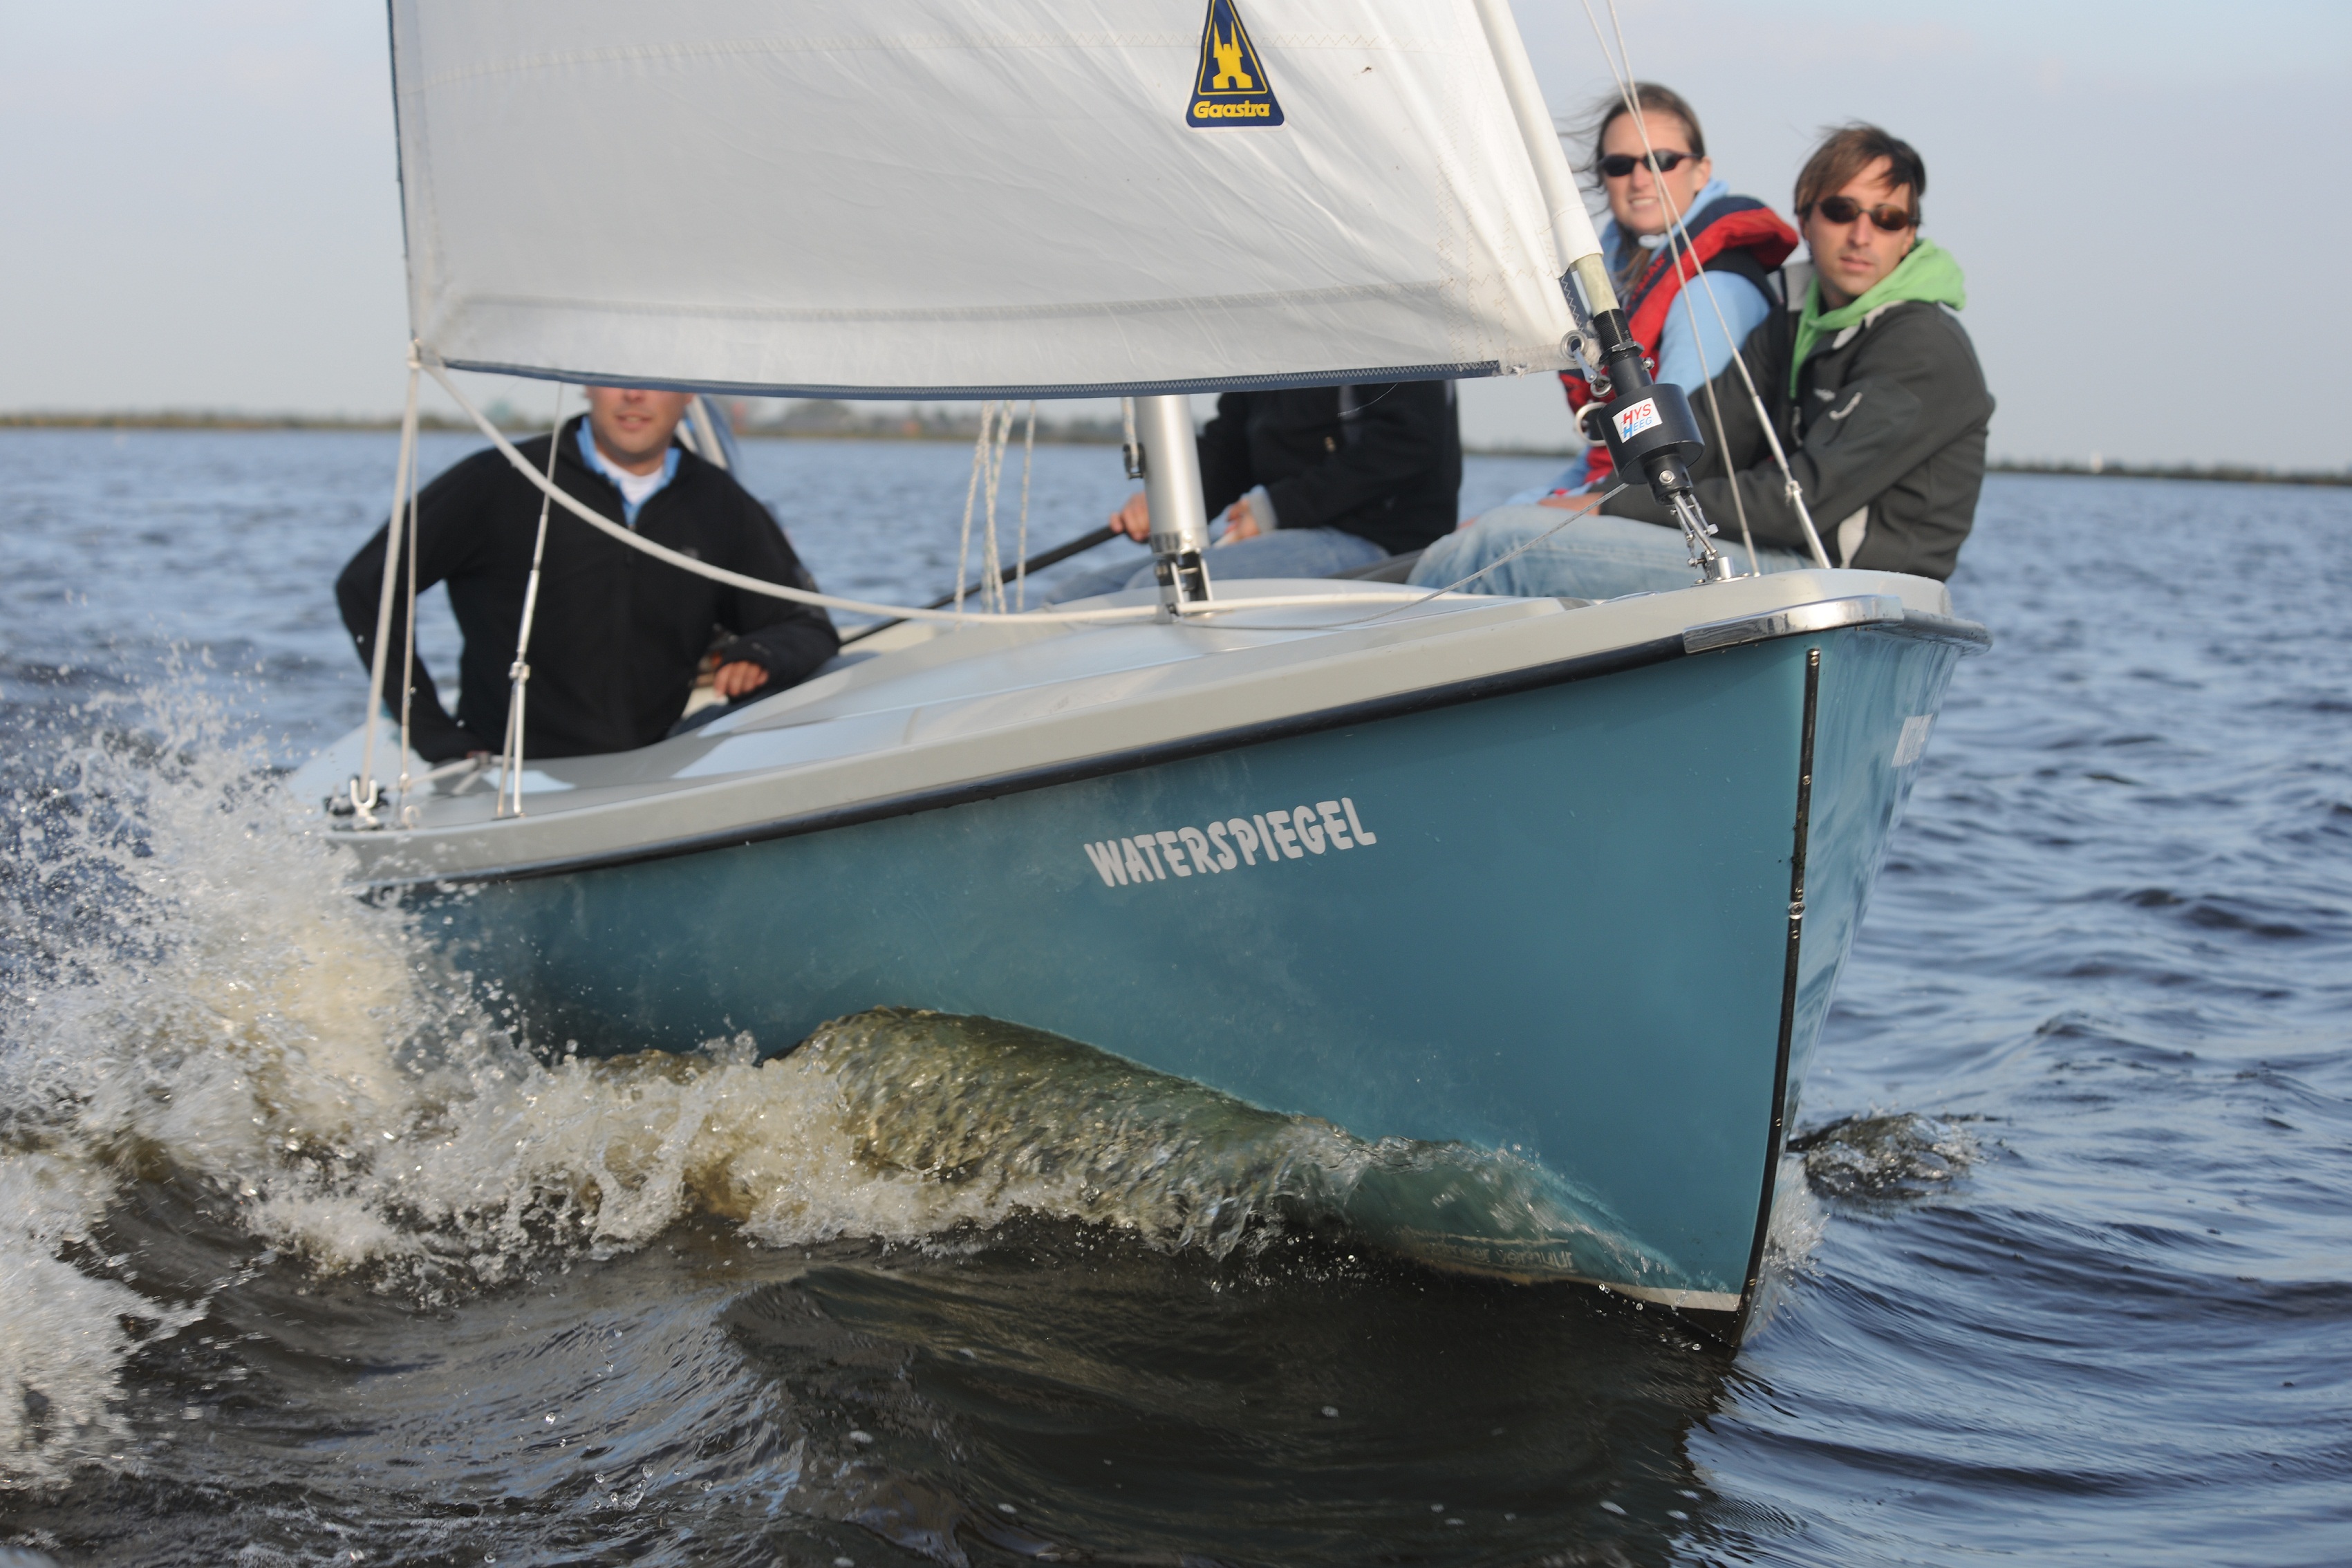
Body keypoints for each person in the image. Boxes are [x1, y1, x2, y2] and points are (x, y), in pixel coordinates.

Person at [1414, 123, 1992, 598]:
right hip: (1798, 573)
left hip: (1854, 590)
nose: (1863, 234)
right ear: (1806, 219)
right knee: (1498, 534)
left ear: (1909, 235)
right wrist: (1590, 500)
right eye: (1843, 211)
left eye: (1888, 219)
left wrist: (1610, 511)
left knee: (1503, 551)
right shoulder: (1795, 323)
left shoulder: (1922, 347)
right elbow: (1712, 431)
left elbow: (1803, 502)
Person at [335, 386, 838, 763]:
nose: (634, 394)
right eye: (614, 376)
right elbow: (367, 585)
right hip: (505, 773)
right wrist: (428, 730)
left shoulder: (718, 501)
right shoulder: (503, 478)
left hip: (646, 767)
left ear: (688, 393)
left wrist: (762, 655)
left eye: (655, 379)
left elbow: (808, 624)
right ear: (586, 384)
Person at [1509, 83, 1798, 504]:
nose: (1641, 180)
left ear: (1702, 170)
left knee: (1488, 541)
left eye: (1662, 161)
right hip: (1623, 487)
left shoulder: (1714, 290)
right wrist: (1539, 501)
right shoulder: (1616, 278)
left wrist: (1543, 511)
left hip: (1691, 508)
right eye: (1620, 165)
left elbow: (1673, 453)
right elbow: (1605, 455)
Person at [1043, 381, 1462, 602]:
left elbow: (1410, 443)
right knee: (1069, 600)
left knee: (1155, 592)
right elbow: (1230, 449)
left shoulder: (1393, 321)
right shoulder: (1271, 340)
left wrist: (1276, 510)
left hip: (1380, 543)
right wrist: (1167, 501)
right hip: (1291, 533)